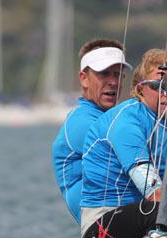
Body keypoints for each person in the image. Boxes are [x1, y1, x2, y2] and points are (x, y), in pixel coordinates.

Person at [80, 49, 167, 238]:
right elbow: (152, 189)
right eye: (159, 86)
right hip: (100, 228)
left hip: (149, 217)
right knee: (158, 208)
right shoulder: (127, 121)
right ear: (140, 88)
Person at [52, 39, 132, 224]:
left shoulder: (118, 120)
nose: (113, 82)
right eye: (104, 74)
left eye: (118, 74)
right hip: (103, 226)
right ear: (83, 78)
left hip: (131, 219)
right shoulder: (81, 123)